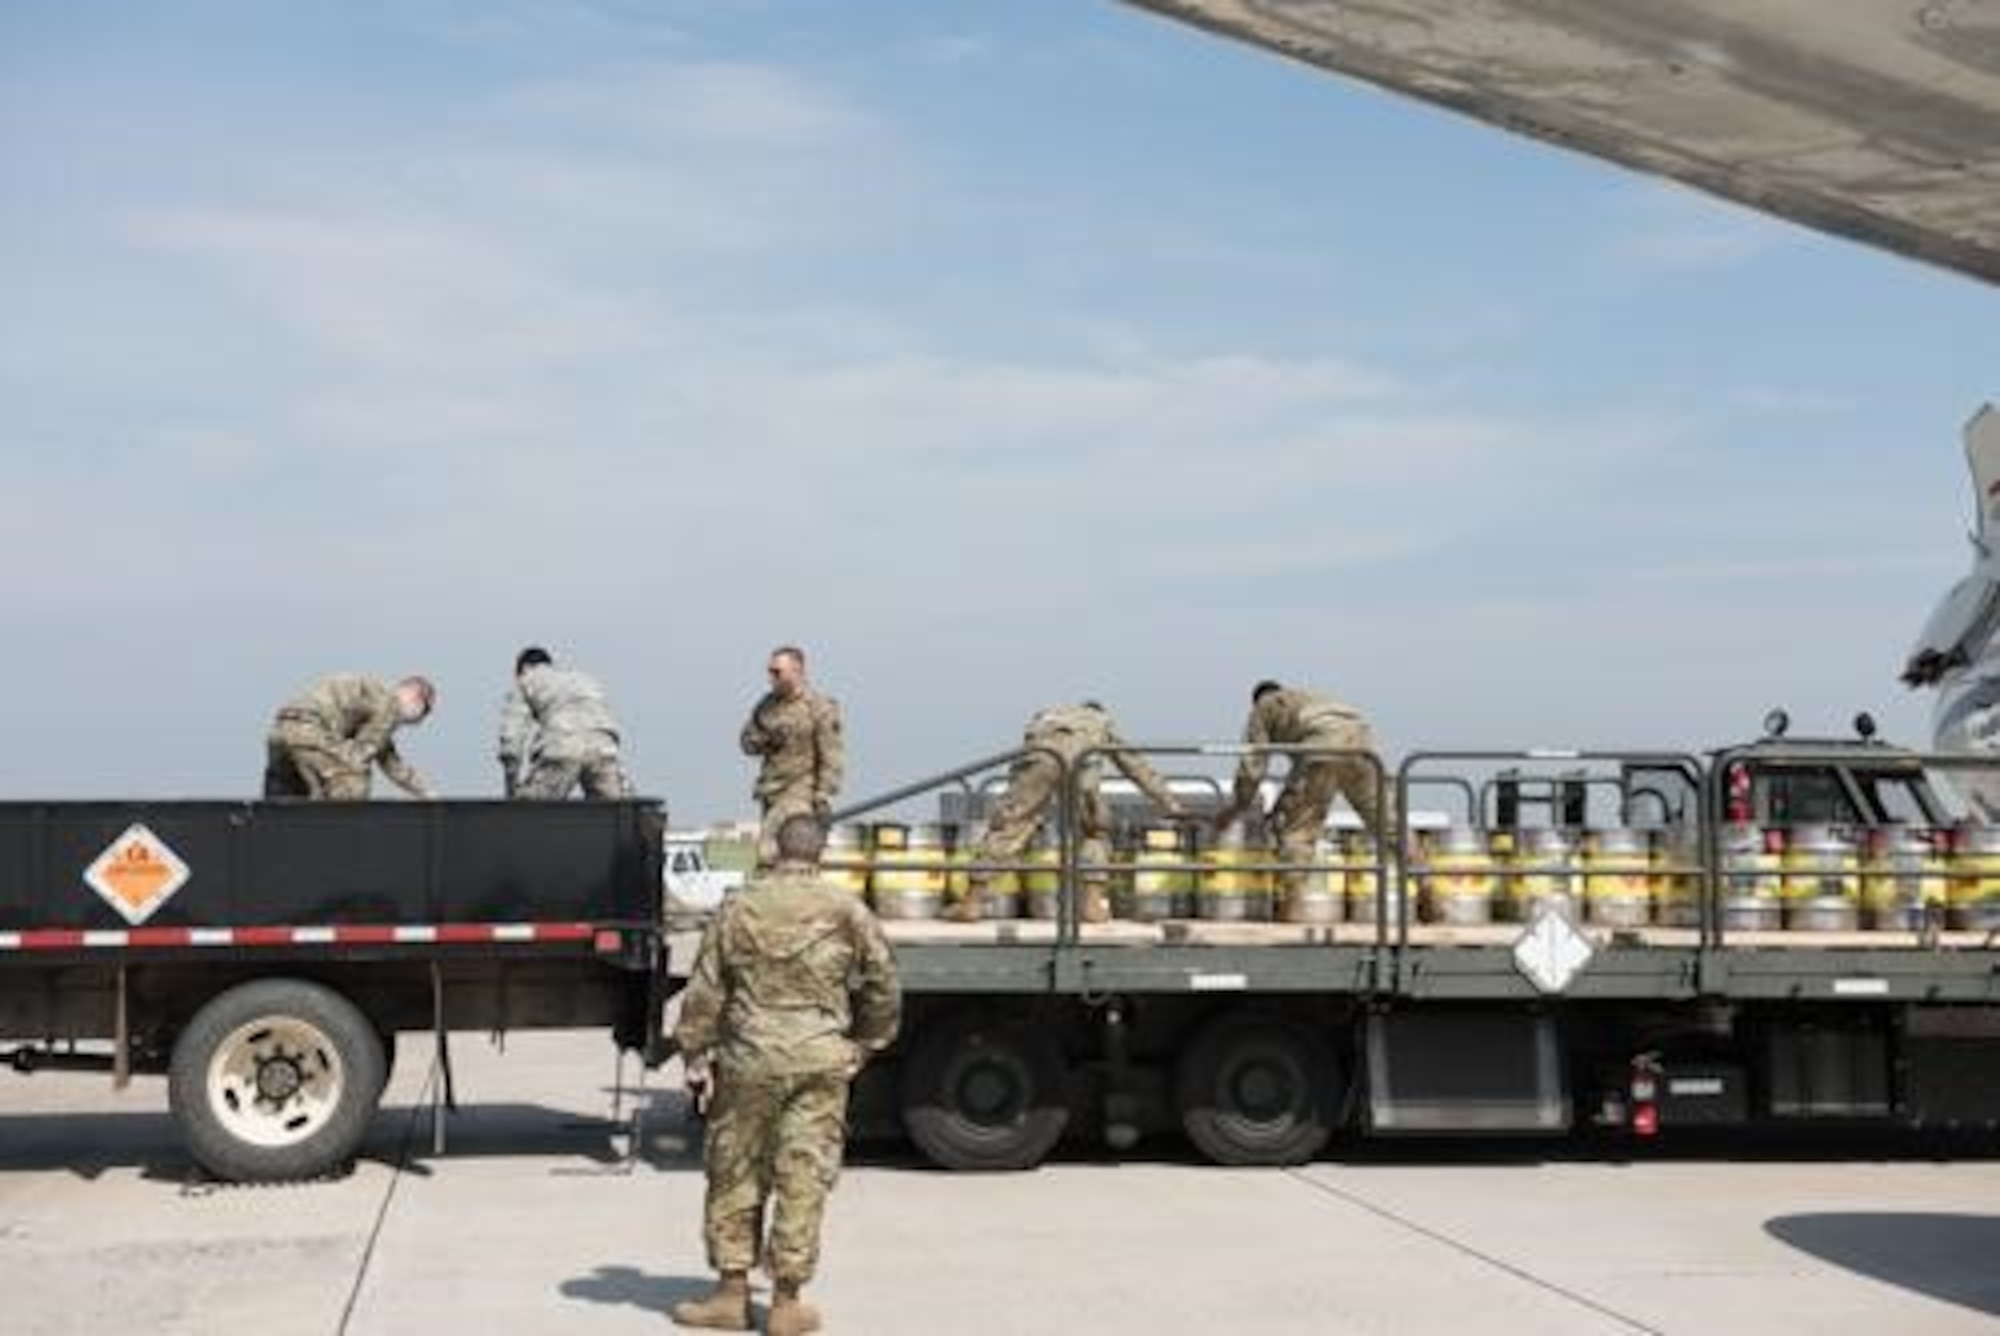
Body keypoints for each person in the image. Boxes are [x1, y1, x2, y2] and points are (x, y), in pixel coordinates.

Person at [671, 814, 900, 1336]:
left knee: (736, 1170)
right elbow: (884, 980)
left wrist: (695, 1052)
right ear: (820, 854)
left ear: (775, 849)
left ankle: (731, 1295)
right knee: (803, 1176)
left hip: (749, 1059)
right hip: (819, 1059)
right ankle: (785, 1302)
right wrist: (866, 1043)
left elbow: (707, 987)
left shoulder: (739, 905)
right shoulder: (847, 908)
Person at [946, 701, 1185, 924]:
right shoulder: (1099, 720)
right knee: (1094, 830)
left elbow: (1022, 763)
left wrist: (1014, 805)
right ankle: (1092, 905)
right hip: (1081, 763)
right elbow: (1134, 765)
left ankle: (972, 902)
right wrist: (1168, 802)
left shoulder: (1045, 717)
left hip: (1041, 758)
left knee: (1010, 828)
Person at [1211, 680, 1390, 894]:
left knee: (1297, 829)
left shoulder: (1264, 707)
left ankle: (1294, 901)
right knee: (1387, 822)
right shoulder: (1308, 699)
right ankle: (1427, 885)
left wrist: (1237, 807)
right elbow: (1299, 772)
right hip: (1363, 744)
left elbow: (1253, 764)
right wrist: (1282, 802)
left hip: (1324, 749)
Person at [739, 646, 844, 866]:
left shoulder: (819, 708)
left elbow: (831, 755)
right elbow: (746, 742)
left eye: (777, 672)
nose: (771, 678)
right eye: (770, 671)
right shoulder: (767, 705)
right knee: (779, 859)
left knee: (769, 852)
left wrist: (823, 796)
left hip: (799, 791)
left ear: (797, 671)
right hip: (770, 791)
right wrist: (766, 740)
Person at [263, 673, 437, 800]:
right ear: (417, 699)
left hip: (280, 732)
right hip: (310, 731)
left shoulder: (375, 697)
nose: (420, 722)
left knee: (286, 803)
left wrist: (422, 791)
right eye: (425, 712)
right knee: (354, 782)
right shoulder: (391, 705)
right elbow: (361, 756)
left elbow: (388, 758)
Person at [497, 646, 633, 799]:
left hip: (561, 745)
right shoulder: (584, 680)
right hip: (603, 747)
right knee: (622, 811)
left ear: (523, 668)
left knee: (531, 812)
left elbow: (511, 744)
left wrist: (511, 794)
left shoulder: (525, 680)